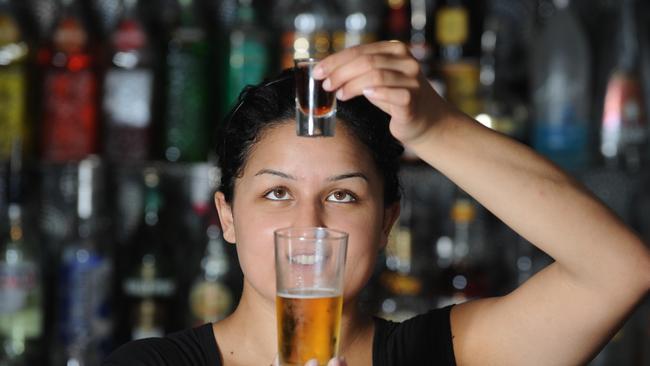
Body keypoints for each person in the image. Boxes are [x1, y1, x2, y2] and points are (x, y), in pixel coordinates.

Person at [104, 41, 650, 366]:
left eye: (342, 195)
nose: (310, 226)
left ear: (387, 219)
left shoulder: (447, 354)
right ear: (227, 216)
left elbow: (617, 271)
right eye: (277, 193)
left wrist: (436, 129)